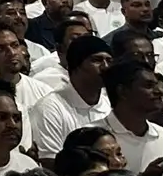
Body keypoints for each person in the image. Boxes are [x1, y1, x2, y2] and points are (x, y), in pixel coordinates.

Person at [97, 58, 163, 176]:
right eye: (149, 86)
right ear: (123, 92)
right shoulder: (93, 137)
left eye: (156, 85)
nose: (158, 91)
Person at [31, 35, 114, 164]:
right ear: (75, 66)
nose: (106, 67)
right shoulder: (50, 108)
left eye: (109, 61)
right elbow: (50, 163)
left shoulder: (110, 105)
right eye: (97, 60)